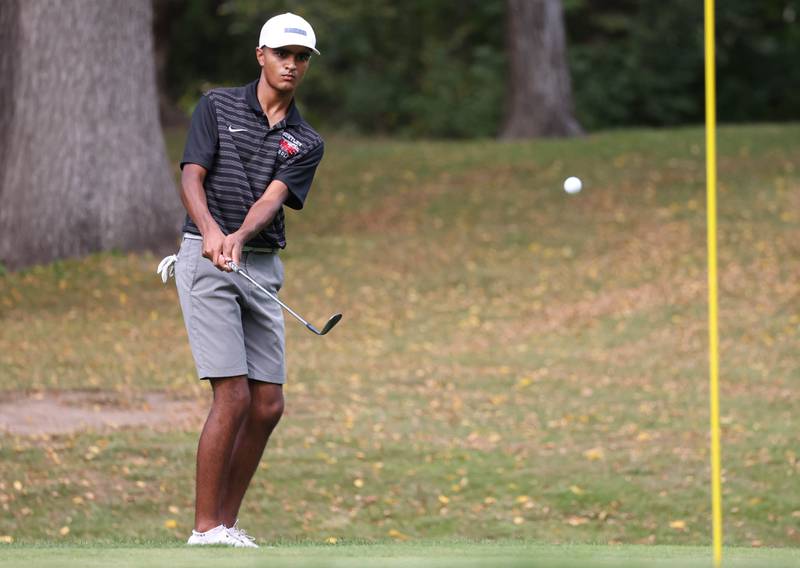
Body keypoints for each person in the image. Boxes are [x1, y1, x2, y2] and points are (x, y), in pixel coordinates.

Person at [171, 12, 324, 547]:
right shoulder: (216, 106)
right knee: (232, 395)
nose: (292, 64)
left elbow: (272, 199)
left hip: (257, 262)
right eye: (283, 53)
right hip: (205, 257)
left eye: (301, 57)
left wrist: (238, 235)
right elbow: (192, 173)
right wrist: (213, 231)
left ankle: (225, 525)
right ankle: (204, 528)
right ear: (261, 54)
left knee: (268, 404)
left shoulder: (305, 140)